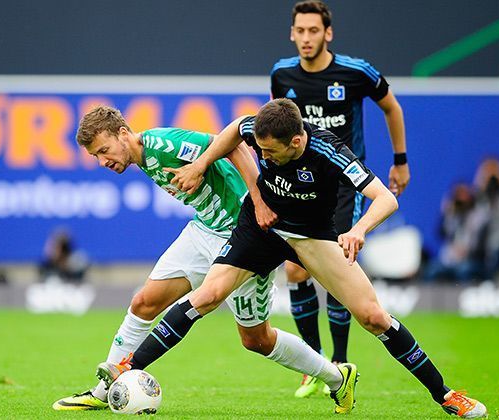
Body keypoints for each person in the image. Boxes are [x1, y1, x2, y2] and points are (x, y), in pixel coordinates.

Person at [98, 99, 487, 417]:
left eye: (270, 153)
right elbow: (235, 129)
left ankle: (446, 395)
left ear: (297, 142)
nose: (263, 157)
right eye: (260, 149)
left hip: (310, 236)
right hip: (260, 228)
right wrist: (201, 165)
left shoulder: (331, 153)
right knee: (206, 296)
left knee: (373, 317)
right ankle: (128, 370)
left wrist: (358, 230)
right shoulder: (261, 130)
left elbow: (386, 198)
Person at [52, 106, 347, 411]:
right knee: (144, 302)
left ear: (124, 134)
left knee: (257, 340)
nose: (103, 161)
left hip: (243, 237)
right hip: (205, 228)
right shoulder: (141, 158)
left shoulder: (166, 145)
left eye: (104, 150)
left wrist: (260, 201)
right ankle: (104, 389)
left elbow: (233, 146)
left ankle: (336, 377)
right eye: (96, 157)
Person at [270, 0, 410, 397]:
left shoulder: (355, 72)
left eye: (314, 31)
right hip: (301, 183)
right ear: (292, 33)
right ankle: (313, 362)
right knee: (295, 271)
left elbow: (391, 106)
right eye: (300, 31)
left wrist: (400, 160)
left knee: (337, 269)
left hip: (344, 184)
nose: (306, 38)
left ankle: (340, 359)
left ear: (328, 33)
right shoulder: (282, 74)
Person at [424, 183, 487, 282]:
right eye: (458, 196)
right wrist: (445, 214)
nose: (462, 199)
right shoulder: (451, 214)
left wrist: (468, 251)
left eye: (464, 195)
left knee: (464, 271)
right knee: (432, 270)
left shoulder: (479, 216)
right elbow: (441, 233)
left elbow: (483, 244)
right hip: (449, 260)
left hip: (470, 258)